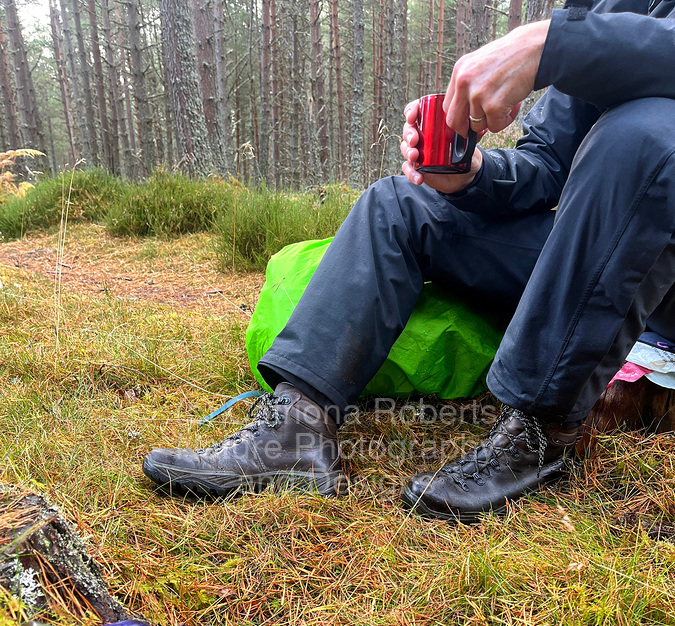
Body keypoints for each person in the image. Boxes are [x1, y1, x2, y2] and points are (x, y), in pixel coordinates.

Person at [143, 0, 675, 523]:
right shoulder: (601, 4)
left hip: (660, 270)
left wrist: (552, 43)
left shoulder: (577, 31)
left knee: (640, 134)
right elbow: (546, 165)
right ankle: (295, 429)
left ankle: (539, 433)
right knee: (398, 204)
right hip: (590, 251)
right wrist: (472, 175)